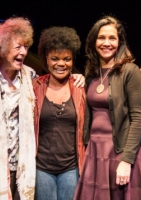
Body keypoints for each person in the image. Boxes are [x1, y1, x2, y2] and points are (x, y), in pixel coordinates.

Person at [0, 17, 85, 200]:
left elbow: (56, 78)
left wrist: (79, 77)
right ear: (4, 47)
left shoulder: (30, 78)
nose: (23, 52)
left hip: (22, 165)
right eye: (18, 47)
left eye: (26, 47)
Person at [74, 16, 141, 200]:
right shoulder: (91, 73)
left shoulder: (130, 71)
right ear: (93, 41)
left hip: (121, 150)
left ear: (120, 42)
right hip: (95, 151)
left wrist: (127, 160)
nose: (106, 43)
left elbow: (138, 119)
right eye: (101, 38)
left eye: (112, 38)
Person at [32, 26, 86, 200]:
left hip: (71, 168)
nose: (61, 64)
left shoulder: (80, 88)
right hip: (41, 168)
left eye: (66, 59)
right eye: (55, 58)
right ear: (46, 59)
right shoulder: (34, 87)